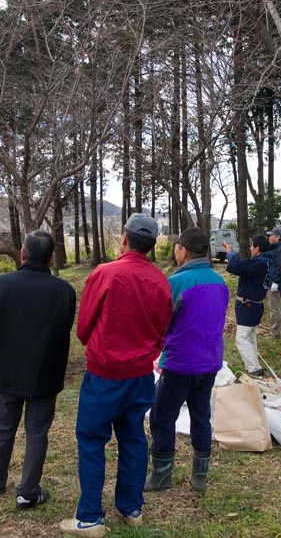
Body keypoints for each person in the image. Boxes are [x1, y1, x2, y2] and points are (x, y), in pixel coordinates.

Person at [60, 213, 173, 538]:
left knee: (93, 442)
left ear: (124, 238)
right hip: (139, 376)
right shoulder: (160, 281)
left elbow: (83, 329)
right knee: (134, 438)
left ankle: (91, 518)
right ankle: (131, 507)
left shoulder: (105, 274)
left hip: (104, 376)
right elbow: (161, 331)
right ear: (152, 246)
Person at [0, 231, 76, 509]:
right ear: (51, 257)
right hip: (44, 372)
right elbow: (64, 327)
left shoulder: (1, 285)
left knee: (3, 427)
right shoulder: (64, 291)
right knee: (37, 432)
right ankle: (28, 491)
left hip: (7, 370)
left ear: (23, 253)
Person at [145, 227, 229, 494]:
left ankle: (161, 475)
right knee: (201, 415)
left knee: (161, 416)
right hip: (210, 362)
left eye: (176, 246)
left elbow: (161, 322)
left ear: (183, 250)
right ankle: (199, 475)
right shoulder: (220, 282)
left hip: (180, 363)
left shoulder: (176, 283)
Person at [224, 235, 274, 377]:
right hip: (255, 305)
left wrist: (230, 252)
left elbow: (239, 266)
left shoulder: (260, 263)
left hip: (249, 305)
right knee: (250, 337)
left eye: (252, 246)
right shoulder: (267, 262)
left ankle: (254, 367)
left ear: (258, 248)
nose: (251, 248)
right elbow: (244, 265)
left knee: (241, 338)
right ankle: (253, 364)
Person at [265, 228, 281, 339]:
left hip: (275, 283)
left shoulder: (280, 250)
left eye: (271, 235)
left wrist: (276, 281)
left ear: (278, 237)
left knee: (274, 308)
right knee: (272, 307)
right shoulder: (274, 249)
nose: (269, 237)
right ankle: (273, 330)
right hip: (270, 281)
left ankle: (275, 332)